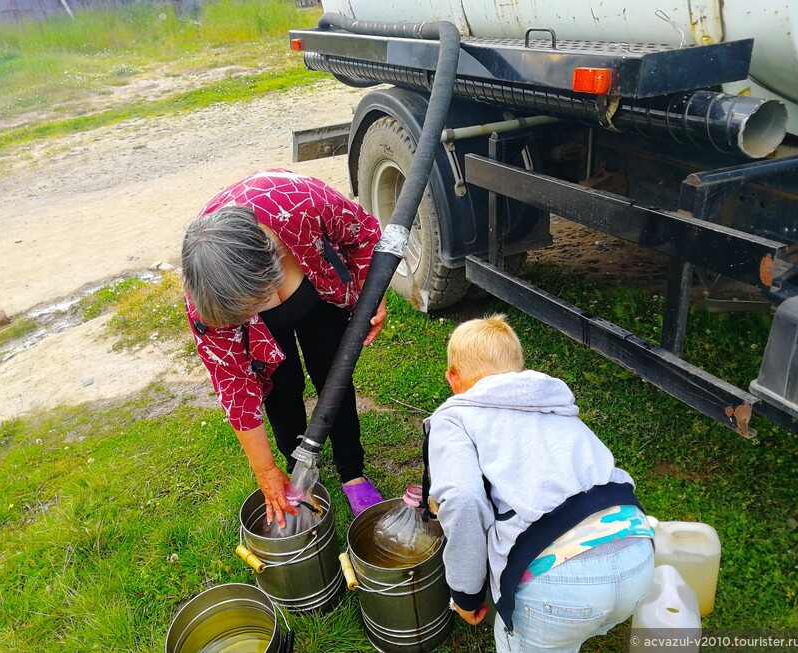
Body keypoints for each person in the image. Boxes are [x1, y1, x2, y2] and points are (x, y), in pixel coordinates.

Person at [425, 314, 655, 653]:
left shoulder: (456, 417)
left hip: (558, 581)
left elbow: (463, 500)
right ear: (519, 370)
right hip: (637, 552)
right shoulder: (553, 404)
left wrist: (466, 594)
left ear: (453, 377)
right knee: (577, 628)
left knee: (555, 633)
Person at [181, 169, 387, 527]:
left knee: (333, 376)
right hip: (254, 305)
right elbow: (236, 388)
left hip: (317, 294)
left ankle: (352, 472)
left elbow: (365, 233)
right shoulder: (207, 298)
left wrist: (374, 294)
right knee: (282, 390)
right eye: (240, 316)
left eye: (253, 305)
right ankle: (299, 474)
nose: (247, 318)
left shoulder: (301, 203)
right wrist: (265, 471)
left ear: (274, 260)